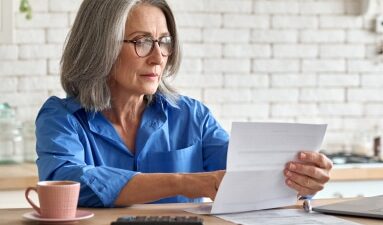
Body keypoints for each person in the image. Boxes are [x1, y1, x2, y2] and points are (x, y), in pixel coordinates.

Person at [35, 0, 333, 208]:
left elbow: (246, 176)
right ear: (101, 46)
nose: (158, 57)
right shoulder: (61, 118)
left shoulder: (192, 116)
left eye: (164, 41)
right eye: (141, 42)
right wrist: (185, 182)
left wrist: (299, 180)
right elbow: (67, 182)